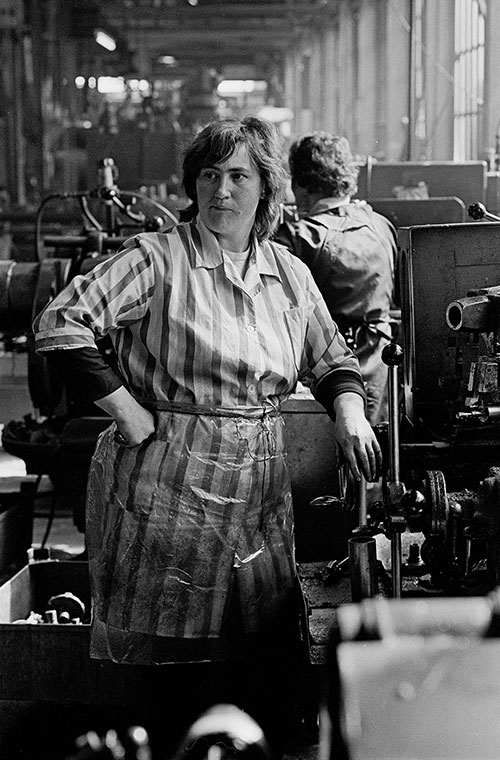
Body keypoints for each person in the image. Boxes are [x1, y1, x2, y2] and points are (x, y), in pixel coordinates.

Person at [33, 116, 380, 750]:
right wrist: (130, 414)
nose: (222, 190)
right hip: (170, 493)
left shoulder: (288, 274)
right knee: (175, 664)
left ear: (267, 189)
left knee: (255, 654)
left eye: (239, 176)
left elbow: (331, 358)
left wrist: (350, 412)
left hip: (257, 495)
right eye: (210, 175)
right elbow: (63, 324)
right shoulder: (157, 259)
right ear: (193, 183)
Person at [275, 132, 398, 425]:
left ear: (300, 185)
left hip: (325, 375)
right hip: (380, 365)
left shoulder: (298, 237)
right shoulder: (382, 225)